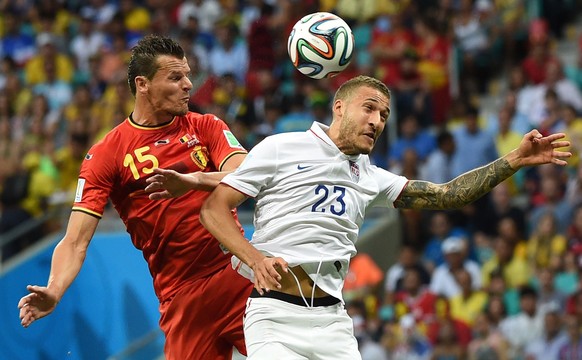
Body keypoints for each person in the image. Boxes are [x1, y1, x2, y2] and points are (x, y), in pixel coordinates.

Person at [165, 75, 569, 359]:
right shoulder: (280, 148)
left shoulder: (372, 177)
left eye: (385, 115)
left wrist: (514, 159)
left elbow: (448, 195)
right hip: (273, 315)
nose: (377, 121)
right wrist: (254, 260)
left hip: (333, 323)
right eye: (369, 108)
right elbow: (214, 209)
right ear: (339, 108)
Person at [17, 35, 252, 360]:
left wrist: (195, 181)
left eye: (187, 75)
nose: (188, 85)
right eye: (175, 77)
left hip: (235, 274)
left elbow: (248, 176)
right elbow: (75, 241)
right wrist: (55, 289)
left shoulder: (205, 127)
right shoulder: (107, 154)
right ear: (143, 84)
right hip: (181, 297)